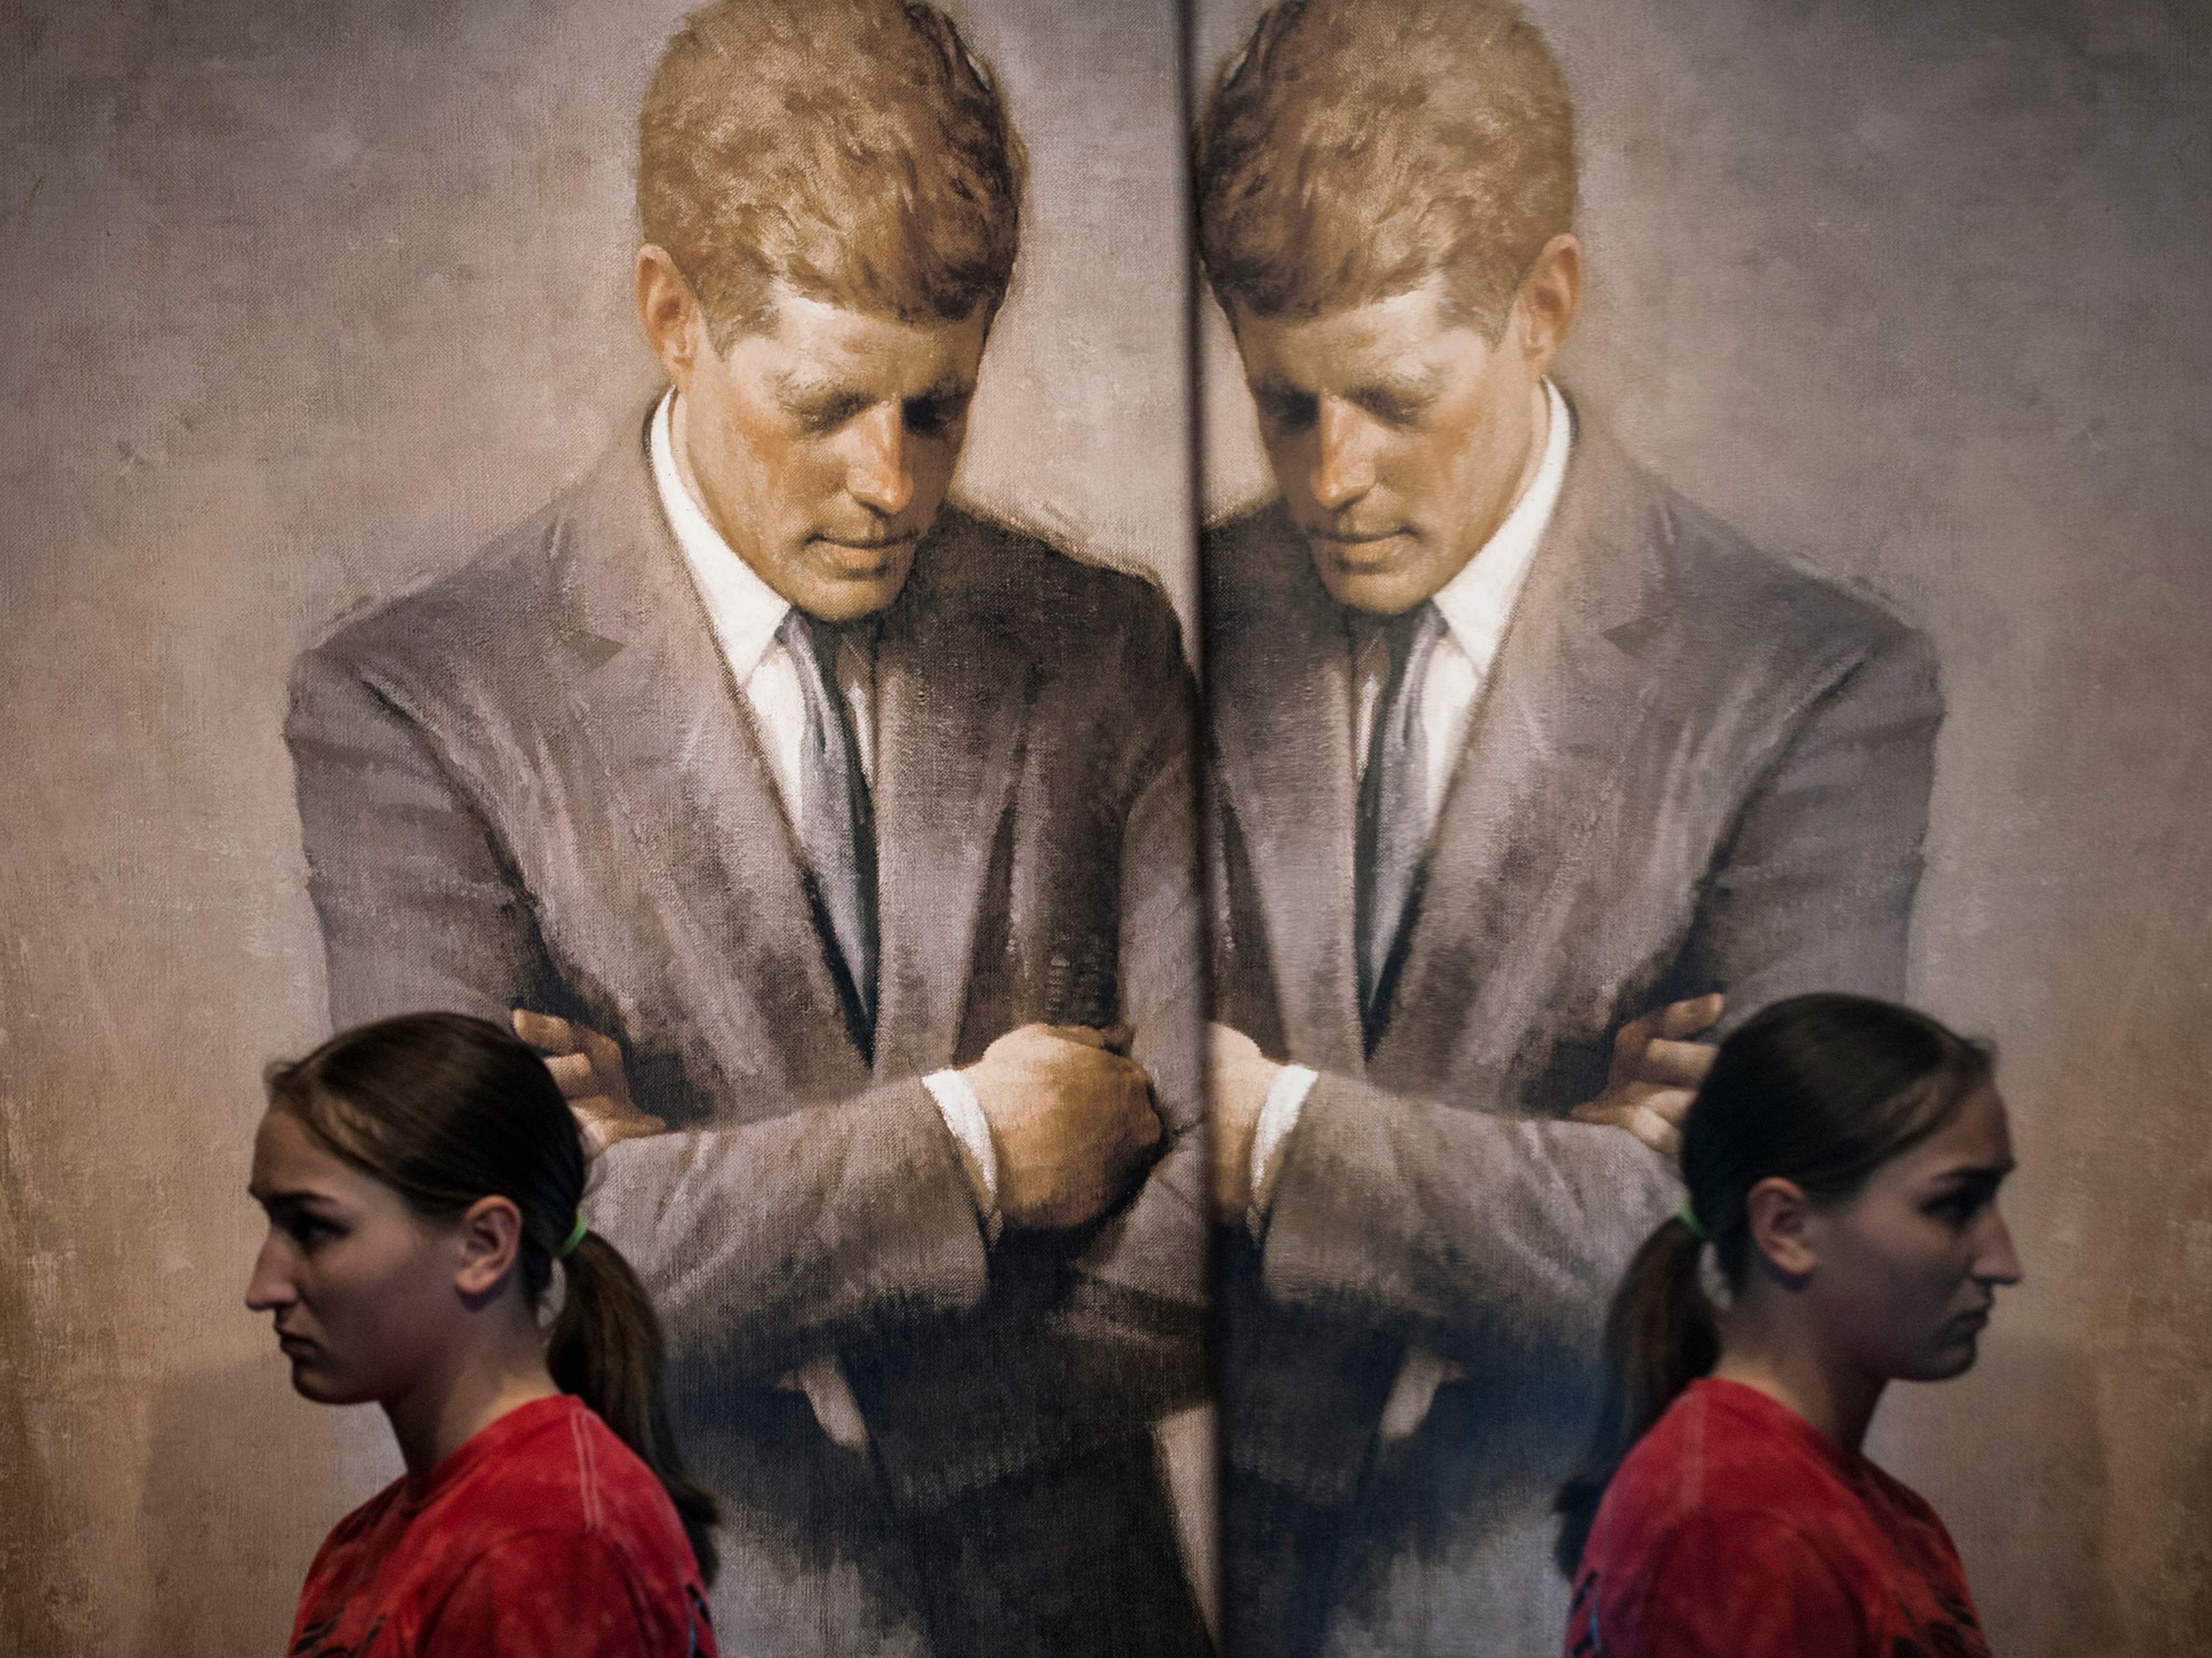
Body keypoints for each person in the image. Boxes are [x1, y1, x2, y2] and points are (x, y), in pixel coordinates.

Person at [283, 3, 1209, 1653]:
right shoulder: (418, 705)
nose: (895, 484)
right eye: (831, 404)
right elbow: (462, 1289)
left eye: (941, 408)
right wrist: (979, 1153)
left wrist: (681, 1219)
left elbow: (1218, 1251)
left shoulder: (1105, 641)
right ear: (673, 318)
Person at [1193, 1, 1945, 1650]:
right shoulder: (1189, 616)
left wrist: (1272, 1137)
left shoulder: (1809, 688)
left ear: (1545, 308)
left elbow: (1773, 1266)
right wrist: (1576, 1159)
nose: (1332, 478)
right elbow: (1093, 1141)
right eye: (1284, 405)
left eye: (1391, 398)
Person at [1555, 994, 2017, 1657]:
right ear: (1786, 1227)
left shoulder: (1879, 1513)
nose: (2004, 1262)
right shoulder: (1736, 1519)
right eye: (1951, 1204)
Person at [246, 1012, 718, 1657]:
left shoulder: (550, 1538)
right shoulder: (361, 1544)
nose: (263, 1286)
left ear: (483, 1245)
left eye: (313, 1228)